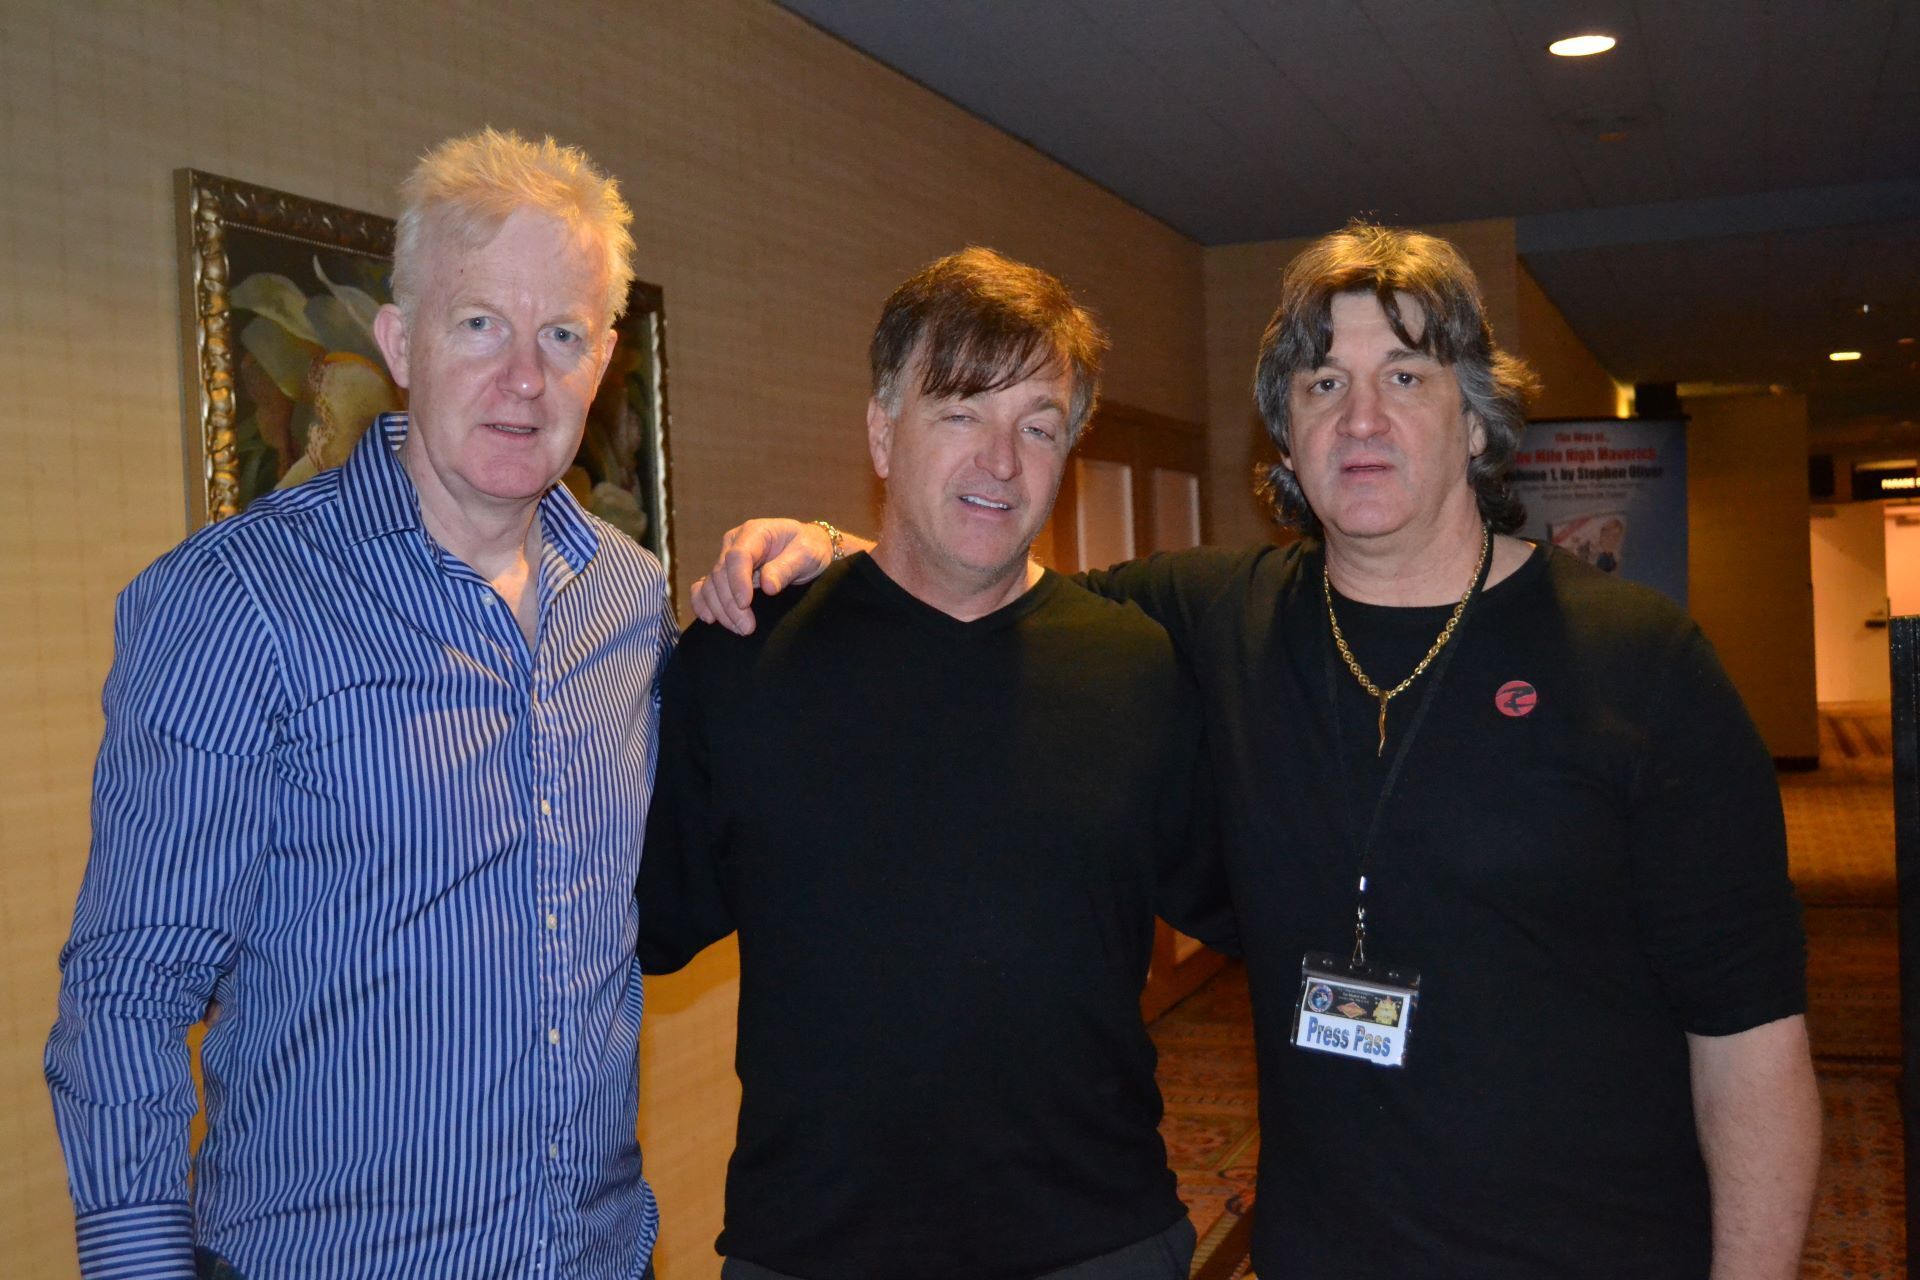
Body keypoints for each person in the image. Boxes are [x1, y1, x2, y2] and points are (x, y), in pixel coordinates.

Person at [688, 223, 1822, 1280]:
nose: (1360, 418)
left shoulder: (1641, 662)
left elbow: (1754, 1046)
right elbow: (982, 583)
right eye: (1323, 383)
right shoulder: (1212, 618)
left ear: (1477, 421)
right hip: (1320, 1250)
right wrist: (835, 550)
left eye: (1405, 378)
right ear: (1286, 431)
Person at [46, 129, 672, 1279]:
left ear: (603, 362)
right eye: (478, 322)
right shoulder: (241, 600)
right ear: (398, 341)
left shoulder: (629, 603)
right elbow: (129, 988)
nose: (523, 376)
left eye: (562, 334)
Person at [639, 247, 1232, 1280]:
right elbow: (632, 924)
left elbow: (1253, 898)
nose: (1001, 461)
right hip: (817, 1246)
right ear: (882, 431)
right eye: (962, 411)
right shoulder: (745, 658)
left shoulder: (1133, 664)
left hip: (1096, 1240)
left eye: (1038, 425)